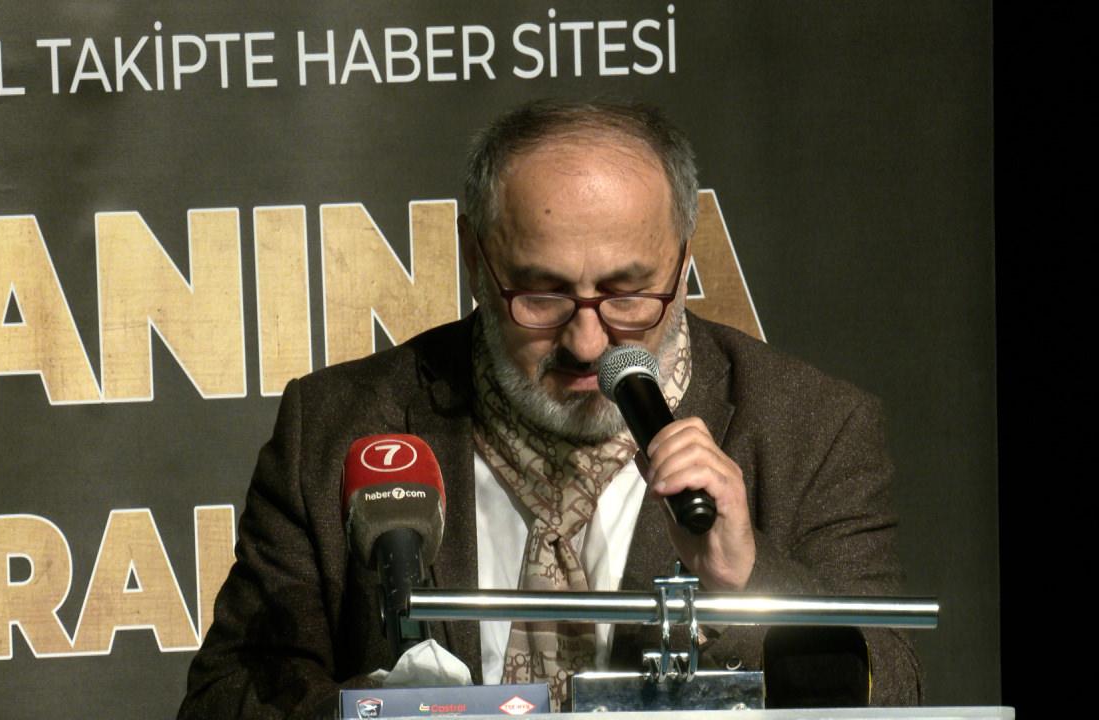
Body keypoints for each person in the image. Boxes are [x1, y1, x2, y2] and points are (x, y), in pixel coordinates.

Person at [178, 100, 921, 719]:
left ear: (684, 259)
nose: (588, 341)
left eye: (628, 294)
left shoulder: (813, 428)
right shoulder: (338, 425)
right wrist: (371, 713)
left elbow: (891, 690)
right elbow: (227, 695)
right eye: (542, 295)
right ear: (475, 259)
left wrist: (745, 577)